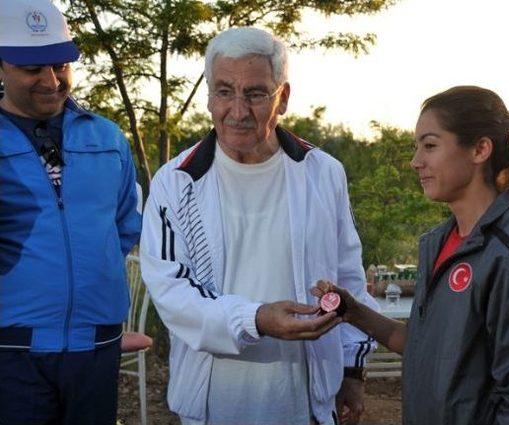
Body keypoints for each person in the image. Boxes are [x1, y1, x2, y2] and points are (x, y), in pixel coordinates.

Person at [140, 27, 377, 425]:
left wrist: (352, 371)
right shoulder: (175, 182)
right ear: (209, 96)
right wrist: (255, 319)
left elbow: (348, 279)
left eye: (254, 93)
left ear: (282, 98)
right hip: (214, 403)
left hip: (307, 401)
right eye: (224, 91)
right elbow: (172, 291)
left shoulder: (323, 173)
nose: (237, 110)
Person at [314, 86, 509, 424]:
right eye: (416, 146)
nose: (416, 161)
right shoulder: (437, 243)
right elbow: (421, 345)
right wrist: (353, 310)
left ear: (480, 149)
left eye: (430, 145)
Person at [0, 0, 142, 424]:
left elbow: (123, 224)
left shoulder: (107, 137)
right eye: (33, 68)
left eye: (61, 66)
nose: (51, 81)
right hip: (12, 349)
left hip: (96, 346)